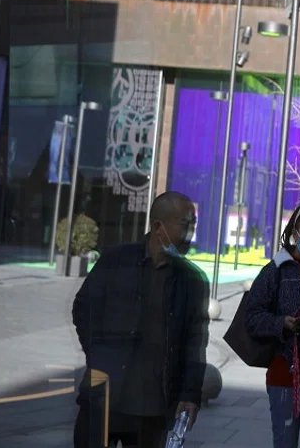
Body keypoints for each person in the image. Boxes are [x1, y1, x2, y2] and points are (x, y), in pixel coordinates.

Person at [72, 191, 209, 448]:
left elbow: (195, 342)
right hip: (103, 400)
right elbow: (82, 308)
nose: (190, 232)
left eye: (193, 225)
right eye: (184, 224)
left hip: (154, 410)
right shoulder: (115, 260)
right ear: (159, 227)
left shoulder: (193, 280)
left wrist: (190, 394)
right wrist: (98, 355)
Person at [244, 205, 300, 448]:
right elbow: (252, 317)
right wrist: (280, 323)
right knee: (285, 442)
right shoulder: (275, 271)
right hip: (284, 375)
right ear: (295, 233)